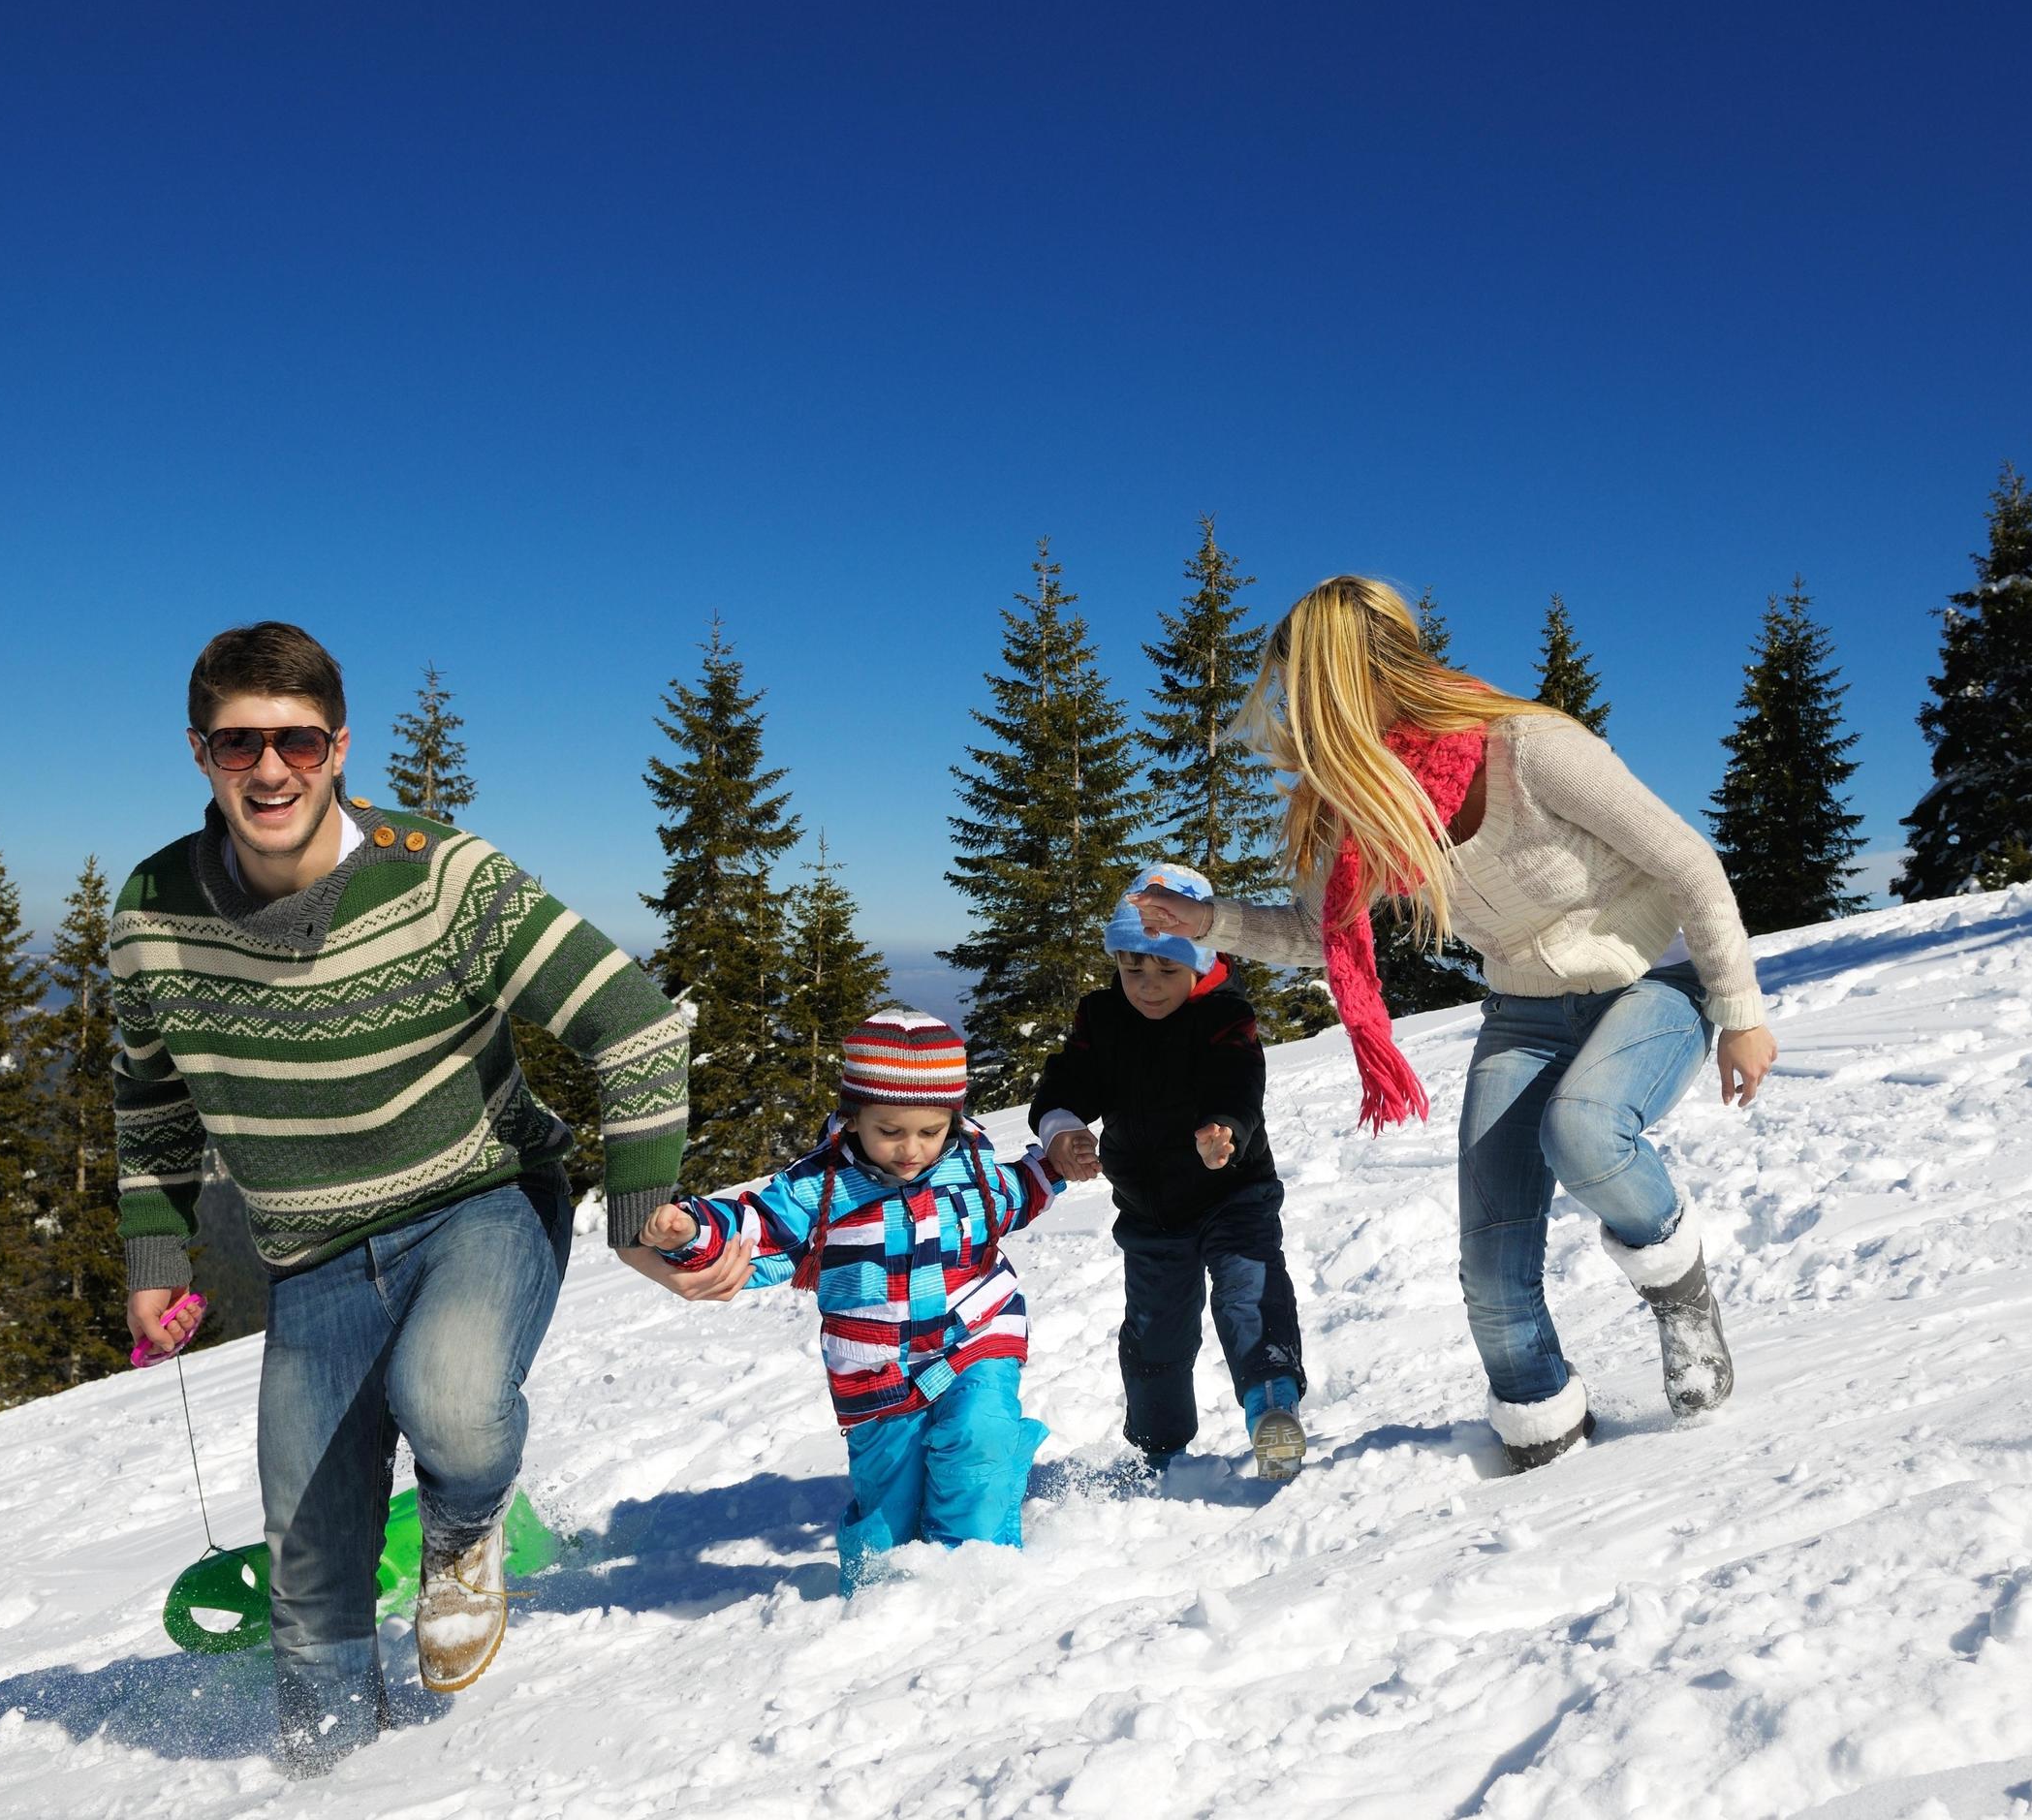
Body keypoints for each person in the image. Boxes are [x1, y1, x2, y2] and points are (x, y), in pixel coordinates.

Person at [110, 621, 748, 1775]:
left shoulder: (442, 875)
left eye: (297, 741)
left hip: (481, 1202)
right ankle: (333, 1777)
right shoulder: (154, 911)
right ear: (200, 752)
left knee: (449, 1396)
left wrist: (642, 1209)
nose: (270, 770)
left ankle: (462, 1532)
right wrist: (158, 1254)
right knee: (310, 1581)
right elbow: (149, 1097)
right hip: (309, 1262)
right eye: (239, 743)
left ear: (339, 746)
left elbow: (634, 1018)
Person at [1131, 577, 1778, 1473]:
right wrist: (1208, 925)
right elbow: (1321, 938)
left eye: (1304, 690)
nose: (1296, 714)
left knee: (1583, 1129)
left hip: (1651, 984)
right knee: (1491, 1270)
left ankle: (1679, 1290)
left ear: (1350, 677)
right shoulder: (1365, 803)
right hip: (1522, 1013)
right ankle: (1545, 1439)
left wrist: (1738, 1011)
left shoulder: (1529, 747)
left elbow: (1686, 862)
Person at [639, 1009, 1096, 1590]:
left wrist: (1054, 1167)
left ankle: (977, 1572)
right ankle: (887, 1590)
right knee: (891, 1504)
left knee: (983, 1438)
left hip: (974, 1335)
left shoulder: (970, 1167)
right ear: (854, 1119)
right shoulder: (818, 1188)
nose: (912, 1149)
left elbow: (1015, 1195)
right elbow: (755, 1224)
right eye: (891, 1131)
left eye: (931, 1132)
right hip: (877, 1367)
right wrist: (690, 1230)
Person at [1032, 864, 1309, 1481]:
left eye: (1165, 969)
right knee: (1155, 1334)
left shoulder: (1222, 1016)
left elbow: (1239, 1078)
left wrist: (1225, 1130)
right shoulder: (1104, 1018)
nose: (1147, 986)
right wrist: (1063, 1129)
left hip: (1233, 1191)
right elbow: (1068, 1083)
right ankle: (1160, 1452)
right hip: (1151, 1211)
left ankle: (1272, 1412)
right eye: (1133, 968)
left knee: (1248, 1297)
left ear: (1199, 962)